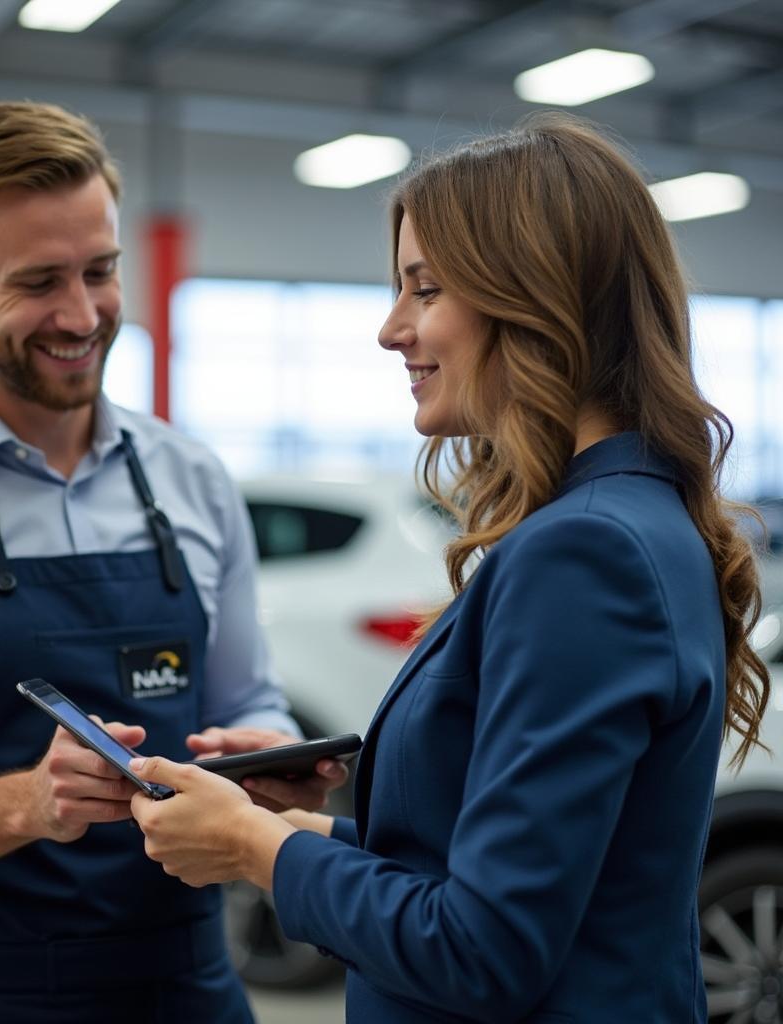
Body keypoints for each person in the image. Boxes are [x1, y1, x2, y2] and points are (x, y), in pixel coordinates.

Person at [129, 112, 771, 1023]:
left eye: (425, 290)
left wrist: (251, 851)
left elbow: (484, 948)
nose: (393, 330)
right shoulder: (626, 518)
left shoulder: (583, 554)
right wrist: (289, 830)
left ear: (537, 296)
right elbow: (522, 878)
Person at [0, 100, 345, 1024]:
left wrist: (262, 750)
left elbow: (249, 696)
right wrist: (28, 805)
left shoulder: (193, 481)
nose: (81, 315)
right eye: (39, 281)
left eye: (101, 271)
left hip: (190, 984)